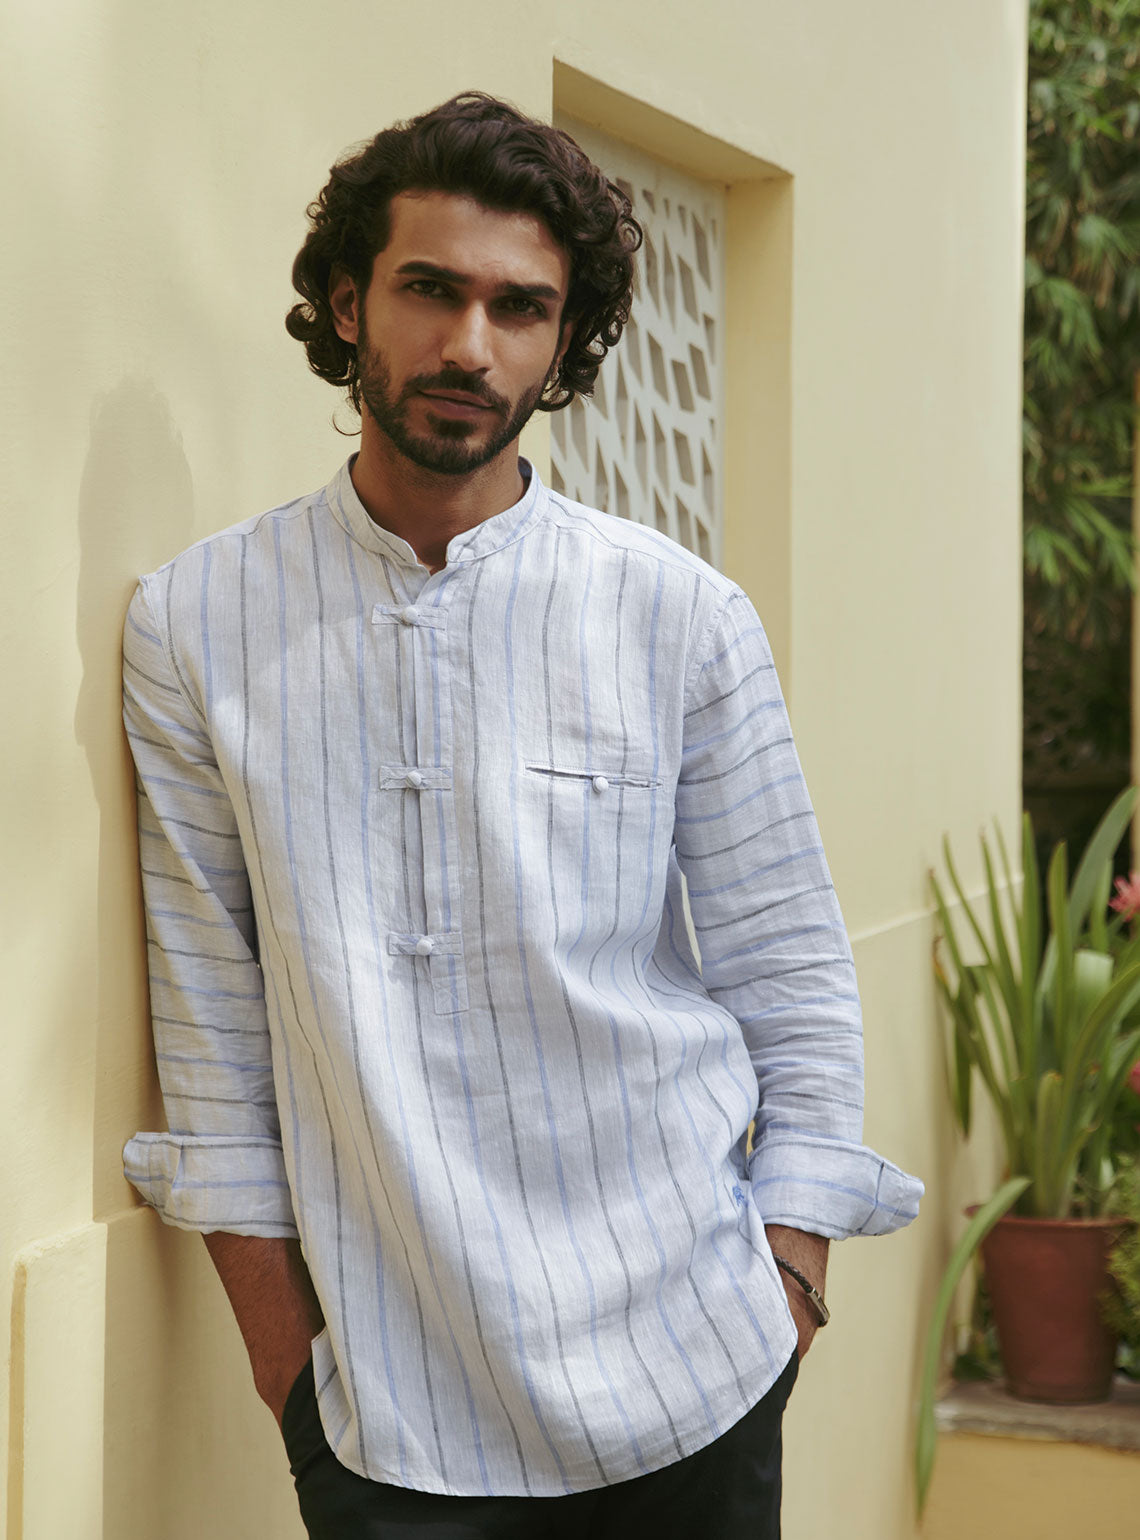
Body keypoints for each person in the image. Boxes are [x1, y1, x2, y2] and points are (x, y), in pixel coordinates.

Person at [122, 91, 923, 1539]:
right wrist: (291, 1379)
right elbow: (212, 1035)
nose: (469, 346)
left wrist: (787, 1291)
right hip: (387, 1424)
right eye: (431, 290)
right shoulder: (198, 624)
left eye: (520, 307)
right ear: (349, 303)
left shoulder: (679, 617)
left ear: (564, 341)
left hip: (693, 1378)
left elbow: (791, 976)